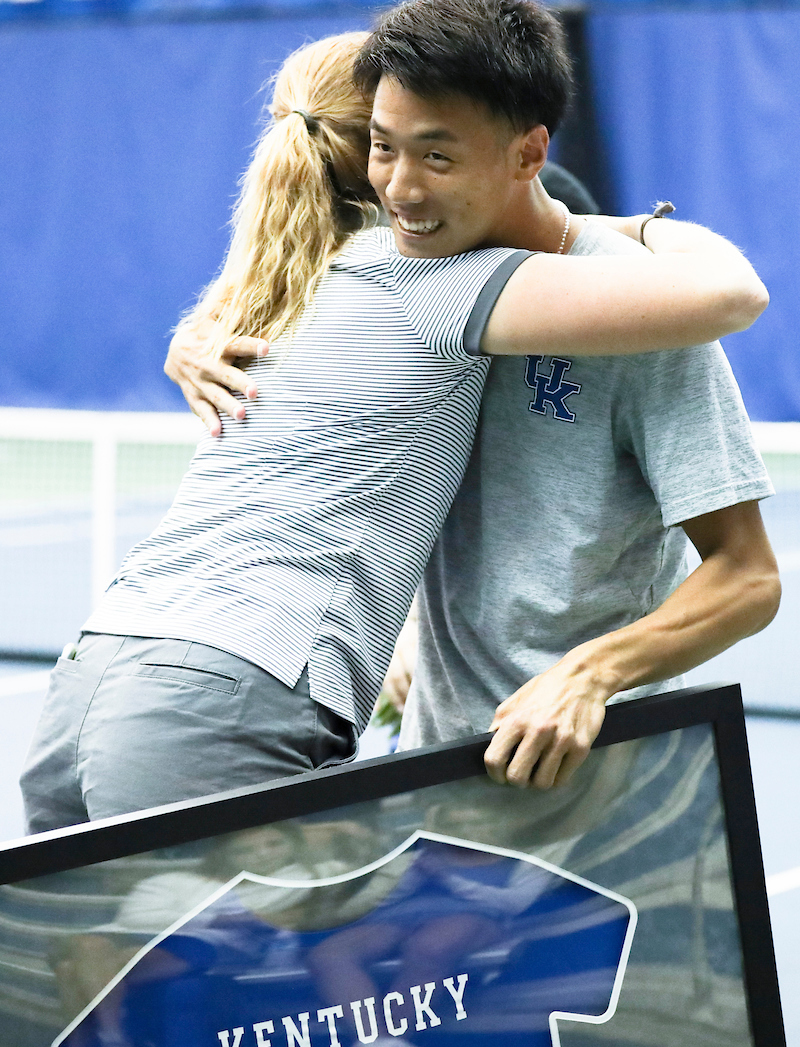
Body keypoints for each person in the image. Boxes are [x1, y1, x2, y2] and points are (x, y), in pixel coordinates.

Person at [23, 16, 770, 835]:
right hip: (389, 753)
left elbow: (747, 571)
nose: (404, 187)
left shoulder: (324, 282)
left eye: (437, 154)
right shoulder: (425, 284)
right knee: (306, 965)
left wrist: (591, 674)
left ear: (529, 154)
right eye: (384, 147)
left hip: (102, 683)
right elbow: (724, 291)